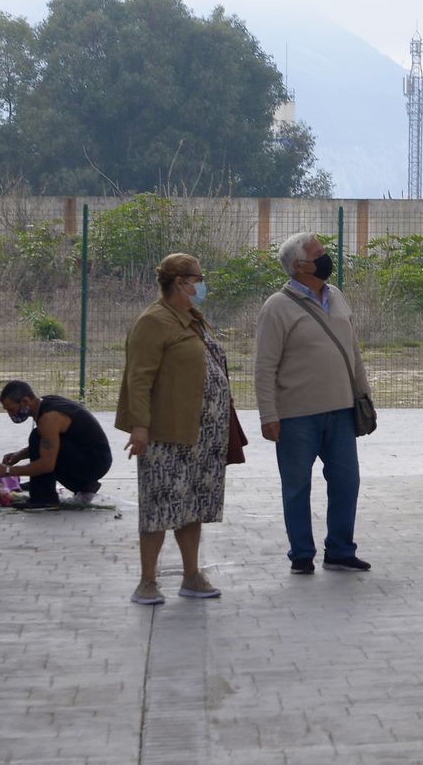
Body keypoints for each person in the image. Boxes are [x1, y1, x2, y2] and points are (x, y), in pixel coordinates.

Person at [115, 253, 232, 605]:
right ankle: (147, 581)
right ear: (181, 282)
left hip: (201, 436)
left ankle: (191, 575)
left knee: (192, 505)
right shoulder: (154, 321)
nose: (202, 284)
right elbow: (139, 377)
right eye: (198, 277)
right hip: (167, 433)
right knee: (158, 507)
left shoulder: (191, 318)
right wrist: (139, 426)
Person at [255, 232, 373, 575]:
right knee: (296, 487)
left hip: (340, 411)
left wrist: (363, 396)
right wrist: (268, 415)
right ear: (298, 266)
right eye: (317, 254)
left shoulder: (336, 296)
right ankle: (301, 555)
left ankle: (340, 550)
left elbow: (353, 352)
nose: (325, 259)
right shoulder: (276, 307)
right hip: (296, 416)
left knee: (347, 481)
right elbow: (264, 366)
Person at [0, 381, 112, 510]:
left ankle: (44, 498)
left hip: (95, 462)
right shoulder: (45, 403)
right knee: (37, 438)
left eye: (11, 409)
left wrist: (8, 471)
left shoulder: (48, 418)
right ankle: (82, 485)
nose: (11, 415)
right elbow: (49, 442)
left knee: (38, 439)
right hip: (94, 456)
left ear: (25, 401)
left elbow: (47, 464)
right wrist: (19, 455)